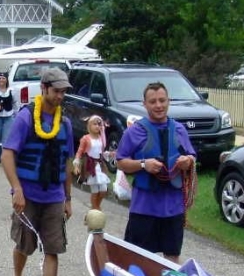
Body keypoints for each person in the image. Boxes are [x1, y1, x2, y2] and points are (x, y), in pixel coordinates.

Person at [1, 67, 74, 276]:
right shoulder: (25, 118)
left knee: (53, 248)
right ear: (43, 89)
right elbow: (8, 154)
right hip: (28, 194)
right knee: (24, 244)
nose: (60, 97)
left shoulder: (64, 123)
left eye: (63, 92)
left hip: (54, 195)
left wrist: (68, 198)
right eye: (56, 91)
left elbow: (67, 162)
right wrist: (16, 189)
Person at [116, 81, 197, 263]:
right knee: (139, 258)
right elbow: (120, 162)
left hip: (173, 208)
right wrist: (143, 165)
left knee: (172, 257)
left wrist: (188, 161)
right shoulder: (134, 132)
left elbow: (192, 155)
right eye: (153, 102)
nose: (158, 105)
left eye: (162, 100)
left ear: (169, 101)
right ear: (144, 104)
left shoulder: (179, 129)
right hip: (144, 208)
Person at [73, 115, 112, 210]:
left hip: (100, 166)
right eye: (94, 124)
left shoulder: (101, 139)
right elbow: (79, 153)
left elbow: (102, 153)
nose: (97, 126)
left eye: (99, 124)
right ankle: (95, 209)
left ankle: (96, 206)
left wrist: (110, 154)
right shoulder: (85, 139)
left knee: (103, 189)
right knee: (94, 191)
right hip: (90, 167)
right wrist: (76, 165)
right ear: (89, 126)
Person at [0, 71, 16, 164]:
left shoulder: (11, 91)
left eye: (3, 78)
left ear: (6, 80)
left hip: (8, 116)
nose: (1, 80)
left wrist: (15, 114)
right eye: (0, 78)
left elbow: (15, 103)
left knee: (6, 138)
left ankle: (5, 157)